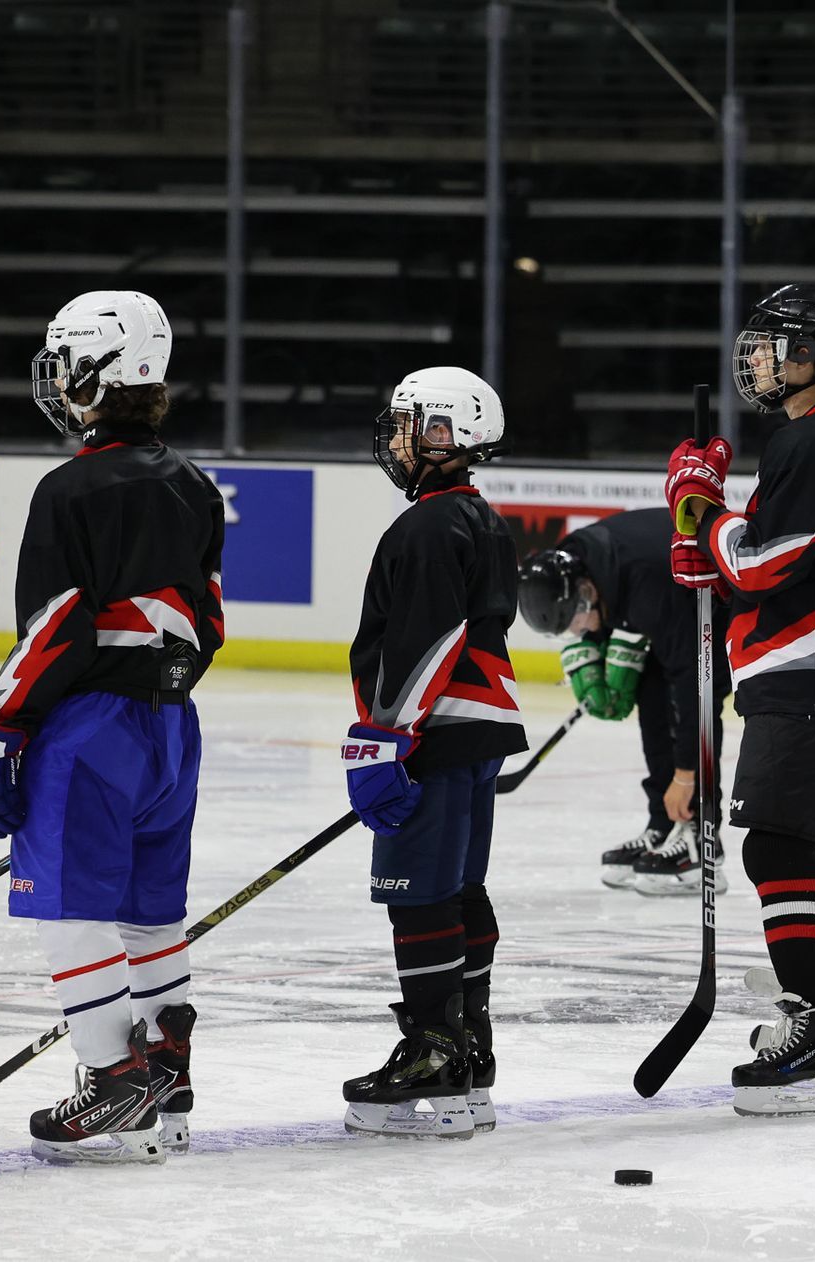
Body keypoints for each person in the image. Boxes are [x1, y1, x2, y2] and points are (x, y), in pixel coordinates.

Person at [0, 290, 225, 1164]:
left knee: (71, 911)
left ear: (97, 373)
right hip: (173, 730)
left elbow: (54, 627)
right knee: (151, 915)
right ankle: (166, 1078)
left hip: (93, 734)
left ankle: (111, 1079)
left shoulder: (69, 487)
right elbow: (207, 621)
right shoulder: (194, 484)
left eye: (65, 359)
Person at [665, 282, 815, 1117]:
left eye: (775, 344)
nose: (756, 358)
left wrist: (703, 514)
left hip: (809, 667)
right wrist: (708, 546)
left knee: (777, 848)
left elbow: (761, 564)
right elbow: (746, 562)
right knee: (809, 843)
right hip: (812, 667)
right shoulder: (810, 439)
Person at [340, 366, 526, 1139]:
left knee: (417, 893)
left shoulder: (426, 526)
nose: (396, 437)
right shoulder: (475, 516)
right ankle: (469, 1053)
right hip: (474, 732)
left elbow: (424, 642)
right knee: (455, 892)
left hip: (435, 733)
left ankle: (435, 1051)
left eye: (409, 422)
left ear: (445, 434)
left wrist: (383, 742)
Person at [516, 509, 730, 894]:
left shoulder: (647, 584)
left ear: (587, 593)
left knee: (684, 699)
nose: (578, 630)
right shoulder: (576, 563)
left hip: (717, 606)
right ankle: (664, 824)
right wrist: (598, 648)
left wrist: (686, 774)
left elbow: (698, 688)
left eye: (578, 621)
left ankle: (702, 837)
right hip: (663, 602)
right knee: (650, 693)